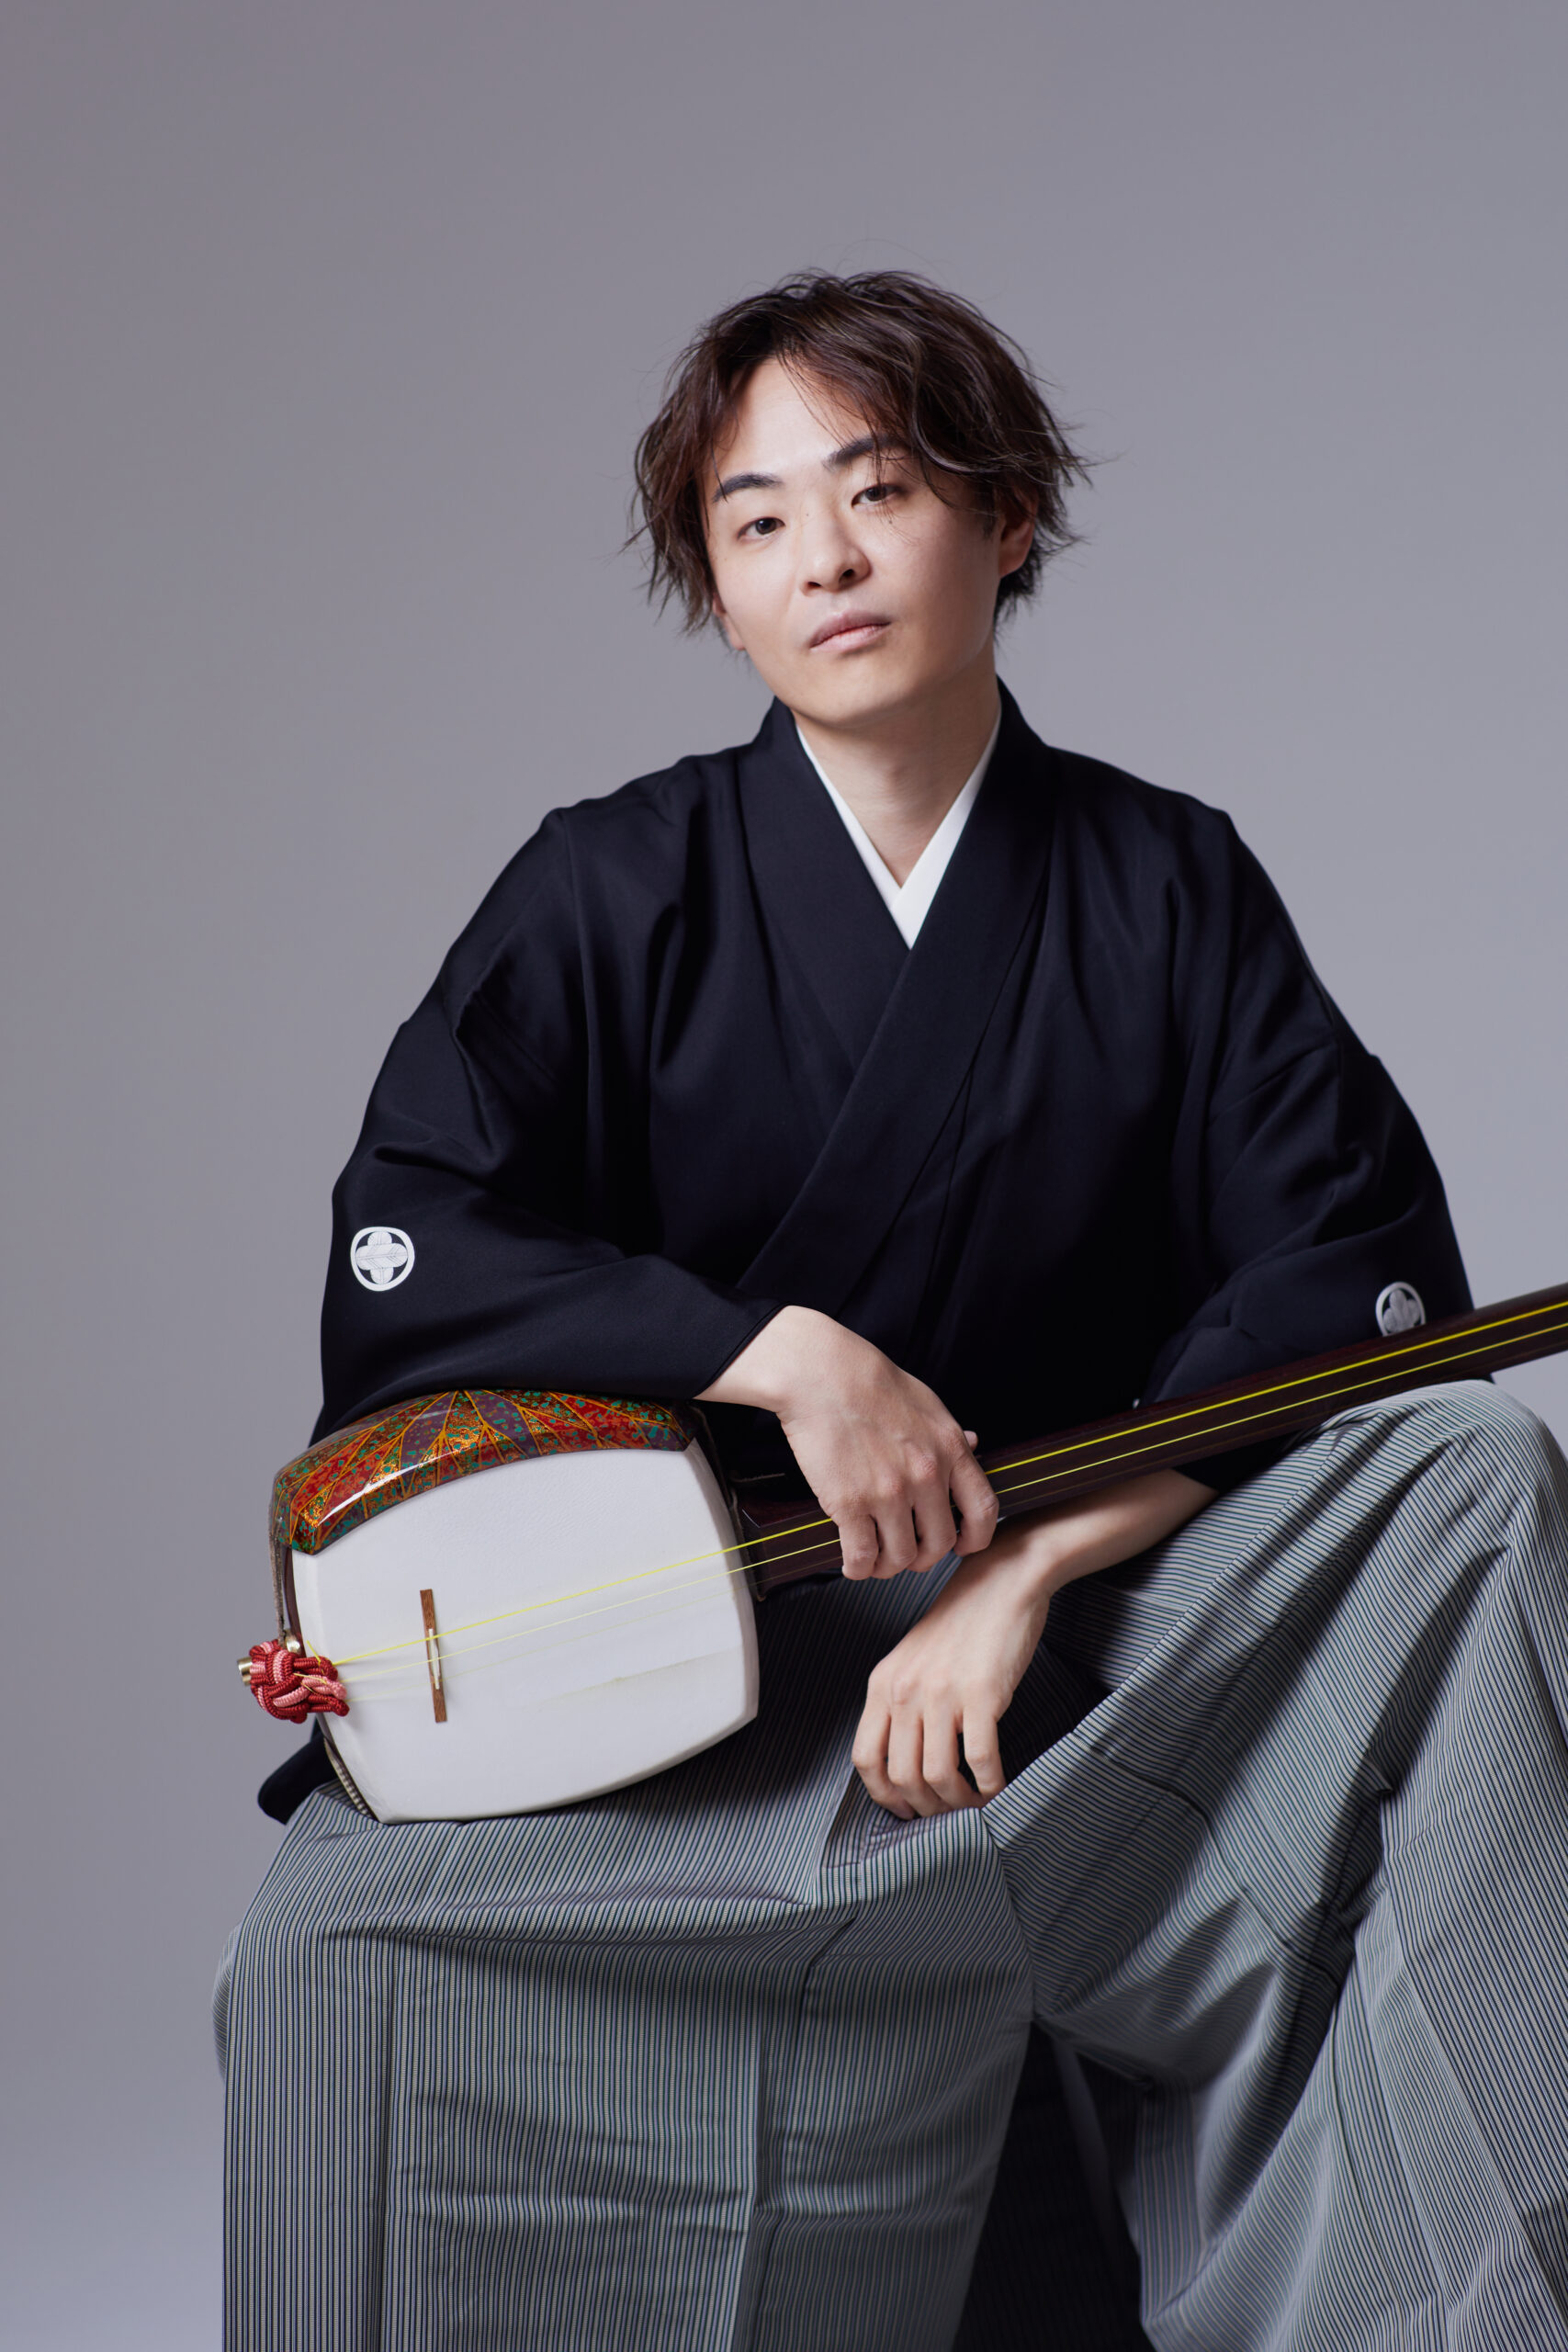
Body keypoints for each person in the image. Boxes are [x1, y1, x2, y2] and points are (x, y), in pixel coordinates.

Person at [219, 272, 1568, 2351]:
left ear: (1003, 516)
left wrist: (1027, 1556)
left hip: (1096, 1662)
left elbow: (1349, 1272)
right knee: (326, 1942)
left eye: (877, 488)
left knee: (1469, 1463)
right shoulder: (612, 888)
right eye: (755, 521)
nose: (822, 559)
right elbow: (416, 1242)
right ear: (717, 586)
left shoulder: (1160, 881)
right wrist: (779, 1351)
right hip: (713, 1678)